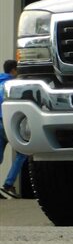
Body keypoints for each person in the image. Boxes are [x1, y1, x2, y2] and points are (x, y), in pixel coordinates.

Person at [0, 59, 27, 199]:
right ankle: (8, 185)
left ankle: (7, 186)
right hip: (8, 123)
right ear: (13, 70)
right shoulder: (12, 85)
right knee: (22, 153)